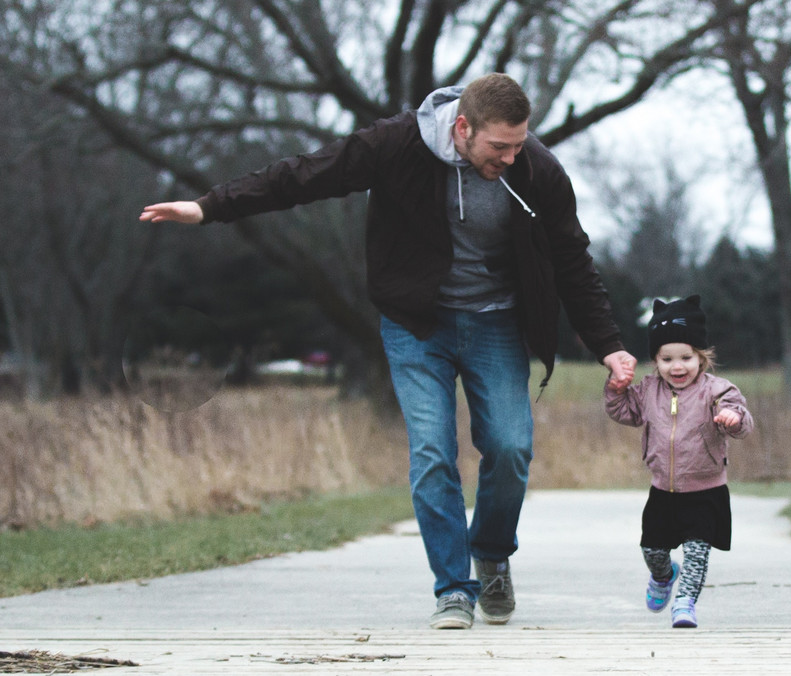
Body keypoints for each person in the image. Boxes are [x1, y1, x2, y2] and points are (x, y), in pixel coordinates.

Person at [141, 73, 637, 630]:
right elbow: (305, 175)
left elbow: (573, 259)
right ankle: (454, 588)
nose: (511, 156)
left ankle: (492, 553)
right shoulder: (396, 143)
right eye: (500, 147)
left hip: (495, 322)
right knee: (432, 452)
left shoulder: (536, 169)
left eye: (519, 143)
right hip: (415, 322)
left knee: (511, 447)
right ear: (462, 127)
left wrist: (609, 347)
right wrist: (209, 208)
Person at [603, 295, 753, 628]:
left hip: (706, 491)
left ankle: (685, 604)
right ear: (655, 361)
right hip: (662, 491)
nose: (677, 366)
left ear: (701, 357)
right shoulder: (647, 391)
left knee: (697, 554)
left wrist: (733, 417)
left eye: (686, 357)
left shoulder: (717, 391)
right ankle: (664, 574)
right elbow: (622, 412)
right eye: (667, 358)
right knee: (653, 551)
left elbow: (743, 419)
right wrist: (615, 390)